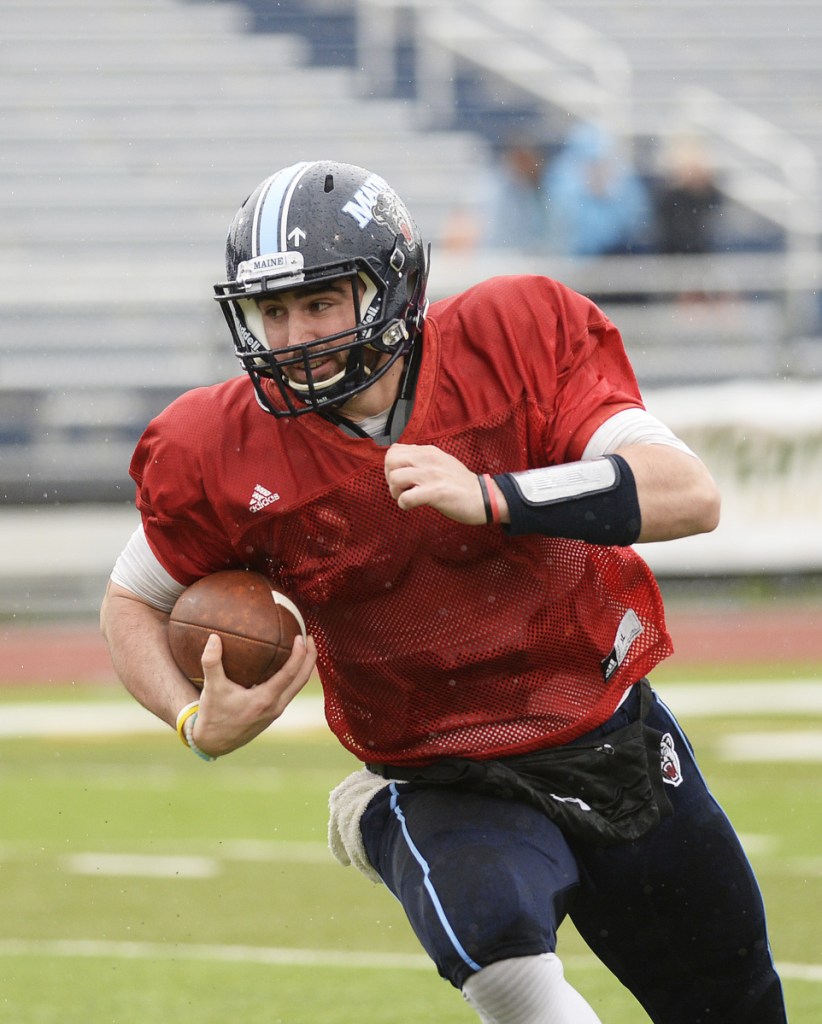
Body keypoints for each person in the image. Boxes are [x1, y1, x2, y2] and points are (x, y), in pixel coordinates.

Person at [100, 160, 786, 1024]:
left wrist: (497, 496)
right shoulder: (223, 445)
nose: (293, 335)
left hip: (603, 726)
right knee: (496, 941)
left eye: (320, 302)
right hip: (438, 766)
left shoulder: (513, 337)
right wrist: (192, 720)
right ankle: (385, 817)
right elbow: (131, 600)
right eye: (271, 311)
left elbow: (688, 493)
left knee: (736, 1001)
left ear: (391, 288)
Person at [543, 122, 652, 257]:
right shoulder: (562, 185)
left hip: (618, 263)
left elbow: (636, 225)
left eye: (602, 163)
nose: (597, 171)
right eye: (590, 164)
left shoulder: (626, 186)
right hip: (573, 265)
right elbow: (560, 231)